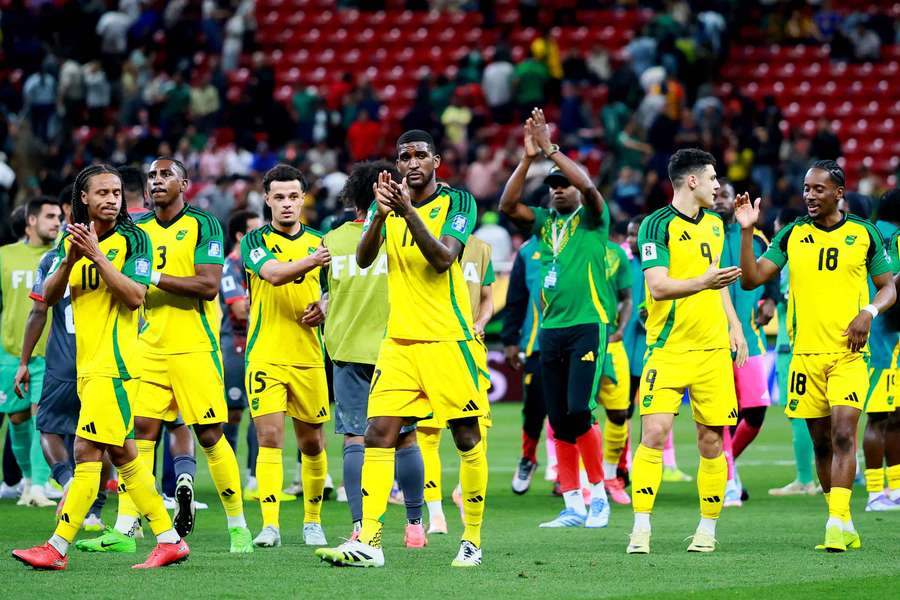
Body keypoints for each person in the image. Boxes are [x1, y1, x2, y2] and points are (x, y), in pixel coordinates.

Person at [316, 129, 487, 568]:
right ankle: (370, 539)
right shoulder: (385, 203)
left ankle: (471, 539)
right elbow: (366, 257)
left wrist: (407, 213)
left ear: (437, 161)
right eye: (404, 156)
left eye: (420, 155)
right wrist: (378, 215)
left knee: (466, 437)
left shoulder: (459, 203)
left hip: (448, 339)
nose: (411, 163)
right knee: (378, 434)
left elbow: (444, 258)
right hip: (398, 343)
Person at [12, 164, 188, 570]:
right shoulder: (68, 242)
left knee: (85, 450)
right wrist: (73, 256)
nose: (111, 199)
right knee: (125, 455)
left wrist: (96, 256)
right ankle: (168, 538)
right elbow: (47, 297)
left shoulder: (134, 239)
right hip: (86, 365)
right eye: (102, 193)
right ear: (84, 199)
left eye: (116, 192)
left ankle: (56, 547)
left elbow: (134, 296)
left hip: (118, 365)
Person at [80, 157, 252, 553]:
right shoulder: (135, 228)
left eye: (165, 175)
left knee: (209, 435)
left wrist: (150, 276)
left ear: (185, 183)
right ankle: (126, 529)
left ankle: (238, 527)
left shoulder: (203, 224)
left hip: (195, 346)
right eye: (151, 176)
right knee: (138, 434)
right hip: (145, 347)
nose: (156, 181)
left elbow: (208, 285)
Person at [735, 160, 897, 551]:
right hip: (805, 356)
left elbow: (888, 288)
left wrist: (868, 312)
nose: (809, 195)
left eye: (819, 189)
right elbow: (752, 277)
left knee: (844, 435)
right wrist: (746, 231)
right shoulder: (792, 235)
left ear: (839, 193)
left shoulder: (864, 234)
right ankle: (840, 518)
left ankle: (835, 526)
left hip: (848, 354)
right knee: (822, 443)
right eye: (806, 188)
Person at [627, 148, 745, 555]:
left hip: (712, 349)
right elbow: (658, 286)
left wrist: (735, 325)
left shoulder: (714, 224)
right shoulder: (654, 227)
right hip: (668, 348)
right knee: (654, 433)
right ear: (691, 181)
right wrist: (705, 281)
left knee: (711, 441)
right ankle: (641, 528)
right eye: (713, 178)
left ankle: (707, 529)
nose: (718, 186)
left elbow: (720, 282)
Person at [500, 108, 613, 530]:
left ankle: (597, 497)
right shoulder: (544, 224)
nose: (559, 189)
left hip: (587, 325)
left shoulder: (594, 220)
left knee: (579, 410)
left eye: (563, 184)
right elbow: (507, 203)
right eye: (553, 186)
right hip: (549, 331)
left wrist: (552, 151)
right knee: (558, 417)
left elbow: (588, 184)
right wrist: (529, 160)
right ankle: (571, 504)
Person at [321, 160, 426, 547]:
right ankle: (415, 524)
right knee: (407, 440)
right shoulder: (404, 232)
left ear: (353, 198)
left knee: (354, 439)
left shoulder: (331, 241)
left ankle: (360, 526)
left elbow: (325, 295)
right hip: (396, 347)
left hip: (348, 348)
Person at [240, 164, 332, 548]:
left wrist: (327, 306)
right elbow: (274, 273)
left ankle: (312, 521)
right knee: (270, 438)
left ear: (303, 199)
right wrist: (313, 260)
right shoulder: (254, 241)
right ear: (267, 200)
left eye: (294, 196)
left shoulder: (322, 240)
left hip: (309, 354)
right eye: (279, 197)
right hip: (265, 354)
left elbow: (336, 291)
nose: (287, 204)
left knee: (312, 443)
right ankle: (271, 525)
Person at [14, 193, 109, 529]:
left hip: (61, 361)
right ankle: (97, 510)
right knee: (107, 438)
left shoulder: (54, 259)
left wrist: (25, 361)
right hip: (102, 360)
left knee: (49, 428)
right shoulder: (113, 256)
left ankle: (68, 482)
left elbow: (38, 311)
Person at [418, 230, 494, 533]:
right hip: (430, 346)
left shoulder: (481, 249)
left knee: (478, 432)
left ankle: (464, 491)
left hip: (469, 349)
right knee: (428, 433)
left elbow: (487, 298)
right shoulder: (422, 242)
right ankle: (435, 513)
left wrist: (482, 321)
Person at [715, 179, 779, 506]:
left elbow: (773, 269)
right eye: (716, 195)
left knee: (755, 413)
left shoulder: (755, 237)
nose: (719, 199)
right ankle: (727, 478)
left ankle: (727, 463)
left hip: (749, 339)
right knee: (724, 413)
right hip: (713, 338)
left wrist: (770, 298)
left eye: (724, 195)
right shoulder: (704, 233)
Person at [0, 197, 62, 508]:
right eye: (50, 216)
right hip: (10, 351)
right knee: (18, 418)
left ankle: (39, 484)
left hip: (50, 354)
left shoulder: (60, 256)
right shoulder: (5, 256)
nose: (57, 222)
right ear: (31, 220)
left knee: (42, 419)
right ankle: (27, 482)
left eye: (60, 216)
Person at [767, 206, 819, 497]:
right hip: (815, 344)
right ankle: (828, 476)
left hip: (793, 347)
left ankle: (804, 479)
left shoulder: (787, 263)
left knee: (798, 413)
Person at [860, 189, 900, 511]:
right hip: (884, 342)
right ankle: (875, 493)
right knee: (879, 418)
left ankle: (896, 488)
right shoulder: (895, 238)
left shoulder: (868, 235)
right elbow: (892, 286)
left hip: (878, 338)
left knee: (892, 417)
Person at [220, 210, 262, 494]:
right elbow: (238, 308)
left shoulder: (259, 263)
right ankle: (230, 476)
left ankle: (254, 479)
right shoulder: (232, 264)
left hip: (259, 344)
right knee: (233, 414)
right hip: (235, 345)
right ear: (240, 235)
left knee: (260, 412)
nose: (261, 236)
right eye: (254, 231)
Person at [503, 234, 546, 494]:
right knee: (534, 410)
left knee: (574, 411)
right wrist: (509, 340)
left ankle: (574, 478)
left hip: (577, 340)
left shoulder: (583, 239)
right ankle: (528, 458)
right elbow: (515, 298)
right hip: (537, 346)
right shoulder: (528, 251)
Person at [597, 238, 633, 505]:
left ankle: (610, 476)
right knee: (576, 414)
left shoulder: (616, 254)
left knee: (619, 412)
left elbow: (627, 297)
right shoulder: (563, 248)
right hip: (580, 342)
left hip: (611, 343)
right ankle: (586, 481)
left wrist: (620, 330)